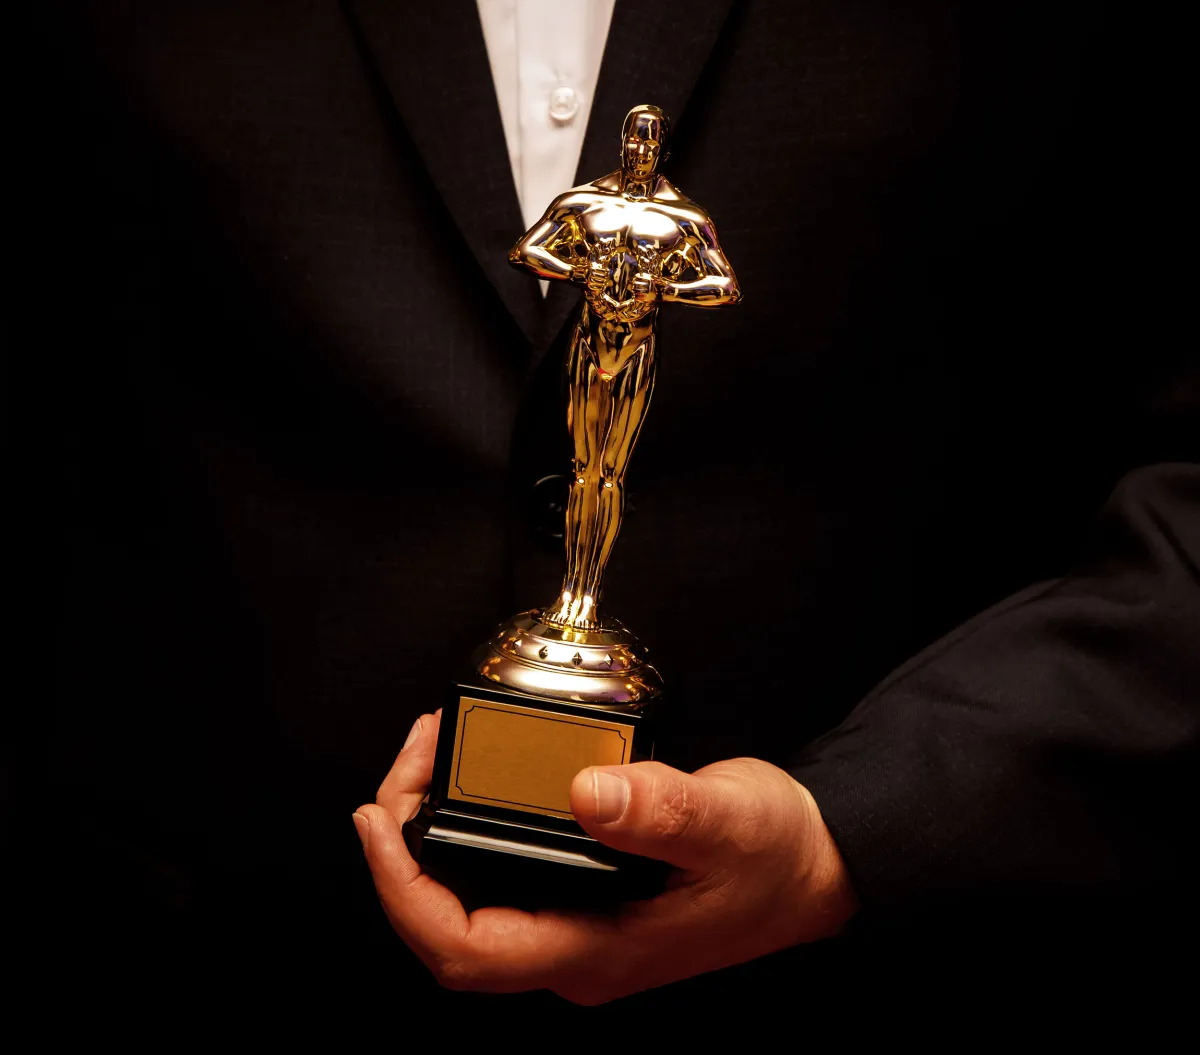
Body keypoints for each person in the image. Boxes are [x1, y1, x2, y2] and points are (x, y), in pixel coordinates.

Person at [44, 0, 1196, 1012]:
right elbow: (537, 250)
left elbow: (719, 284)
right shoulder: (596, 205)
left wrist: (855, 829)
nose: (640, 141)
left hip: (904, 942)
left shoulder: (670, 216)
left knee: (599, 473)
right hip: (214, 917)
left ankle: (584, 605)